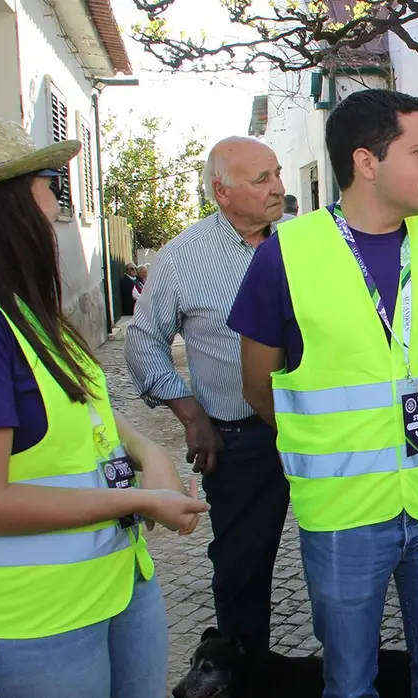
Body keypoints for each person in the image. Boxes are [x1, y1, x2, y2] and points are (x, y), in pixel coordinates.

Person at [227, 88, 418, 697]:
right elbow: (258, 383)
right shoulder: (286, 255)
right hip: (344, 514)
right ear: (367, 162)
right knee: (348, 682)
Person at [0, 118, 207, 697]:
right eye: (50, 180)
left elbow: (84, 411)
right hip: (25, 623)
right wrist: (139, 499)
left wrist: (148, 449)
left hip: (110, 587)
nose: (58, 199)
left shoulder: (18, 305)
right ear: (4, 202)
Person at [124, 135, 290, 657]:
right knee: (241, 567)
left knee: (353, 556)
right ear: (221, 191)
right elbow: (144, 338)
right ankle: (242, 672)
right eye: (261, 179)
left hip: (329, 429)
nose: (280, 189)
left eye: (278, 173)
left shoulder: (308, 242)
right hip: (242, 441)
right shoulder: (183, 258)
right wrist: (188, 410)